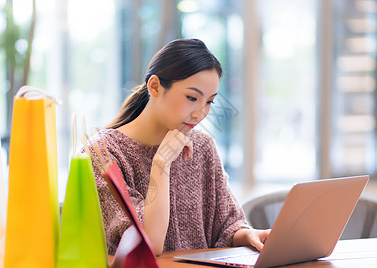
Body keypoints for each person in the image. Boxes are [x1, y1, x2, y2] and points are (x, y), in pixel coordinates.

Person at [87, 38, 271, 255]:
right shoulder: (103, 153)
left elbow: (227, 226)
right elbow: (147, 245)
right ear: (155, 86)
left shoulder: (202, 147)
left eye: (209, 102)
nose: (200, 113)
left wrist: (248, 235)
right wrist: (161, 164)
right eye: (192, 98)